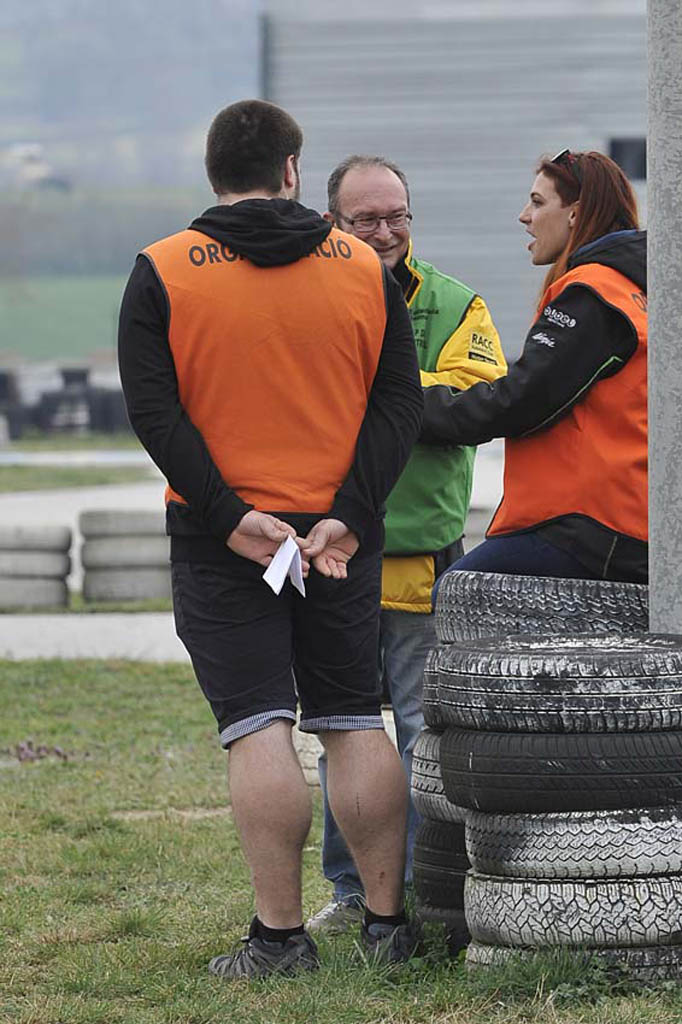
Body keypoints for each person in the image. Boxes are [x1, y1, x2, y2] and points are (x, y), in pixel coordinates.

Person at [118, 100, 424, 979]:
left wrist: (228, 516)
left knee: (258, 725)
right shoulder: (361, 267)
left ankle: (281, 940)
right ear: (292, 171)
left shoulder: (162, 270)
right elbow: (398, 404)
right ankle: (387, 926)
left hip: (224, 541)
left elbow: (155, 414)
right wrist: (350, 513)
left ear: (214, 171)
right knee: (353, 719)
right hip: (337, 538)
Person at [307, 155, 506, 935]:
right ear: (333, 222)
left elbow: (476, 404)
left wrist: (375, 390)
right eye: (367, 219)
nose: (385, 232)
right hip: (330, 554)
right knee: (344, 732)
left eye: (397, 216)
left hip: (421, 558)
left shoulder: (457, 303)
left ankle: (428, 897)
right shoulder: (306, 295)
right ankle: (352, 893)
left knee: (424, 737)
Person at [423, 149, 647, 586]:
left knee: (458, 593)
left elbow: (519, 402)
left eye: (538, 202)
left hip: (591, 527)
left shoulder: (592, 293)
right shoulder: (636, 291)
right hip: (627, 521)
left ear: (575, 214)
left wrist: (412, 405)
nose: (524, 216)